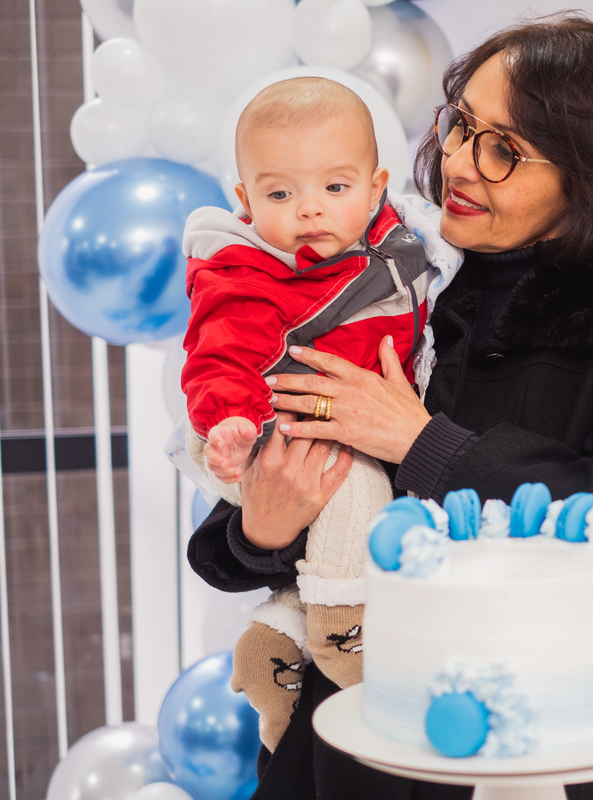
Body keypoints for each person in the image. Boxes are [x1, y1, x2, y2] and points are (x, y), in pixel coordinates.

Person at [188, 15, 593, 800]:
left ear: (591, 174)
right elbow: (236, 532)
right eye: (461, 126)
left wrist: (425, 444)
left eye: (503, 149)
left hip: (538, 756)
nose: (457, 163)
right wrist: (263, 529)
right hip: (342, 752)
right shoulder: (387, 282)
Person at [180, 77, 447, 752]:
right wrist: (231, 422)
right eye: (279, 194)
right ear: (244, 201)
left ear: (376, 186)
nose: (310, 210)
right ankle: (342, 632)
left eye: (335, 186)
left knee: (356, 514)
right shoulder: (246, 273)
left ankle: (279, 636)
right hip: (253, 429)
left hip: (326, 427)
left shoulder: (391, 239)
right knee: (356, 488)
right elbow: (220, 352)